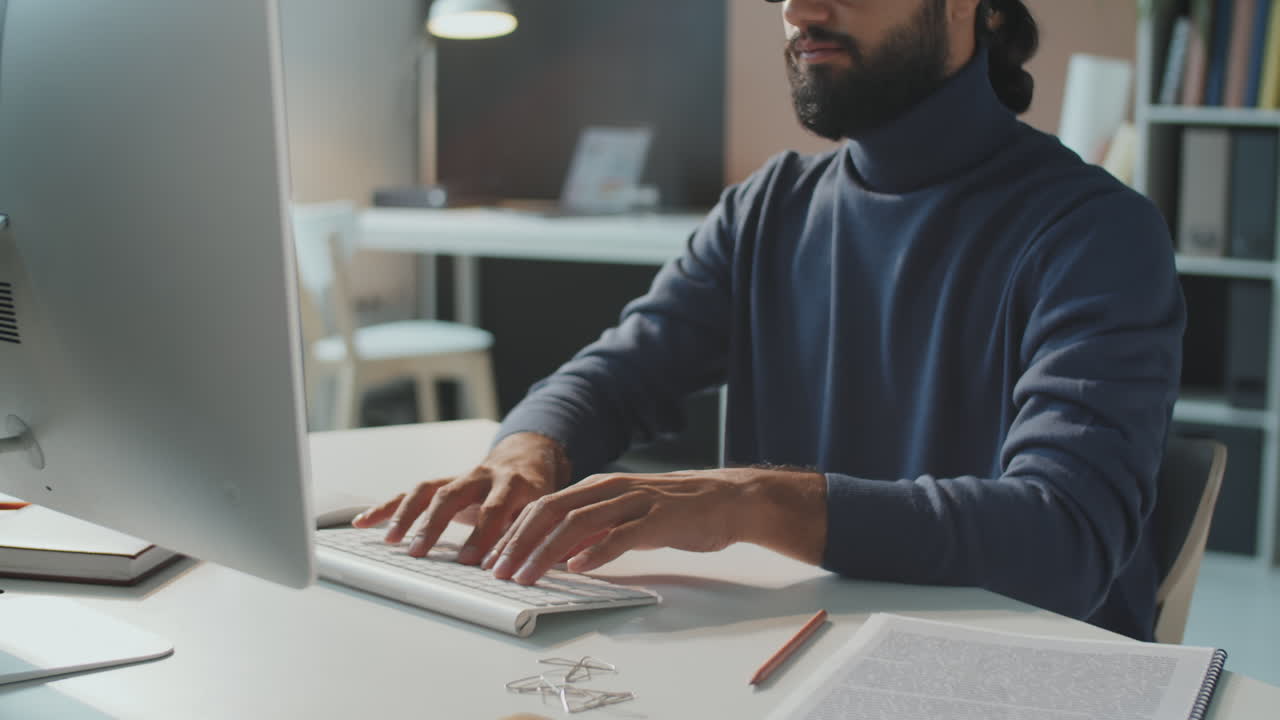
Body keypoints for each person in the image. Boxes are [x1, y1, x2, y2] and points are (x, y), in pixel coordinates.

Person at [353, 0, 1185, 641]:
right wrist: (526, 452)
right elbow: (615, 373)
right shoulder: (768, 210)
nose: (799, 8)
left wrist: (750, 500)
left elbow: (1065, 540)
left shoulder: (1096, 231)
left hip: (1020, 676)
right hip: (800, 656)